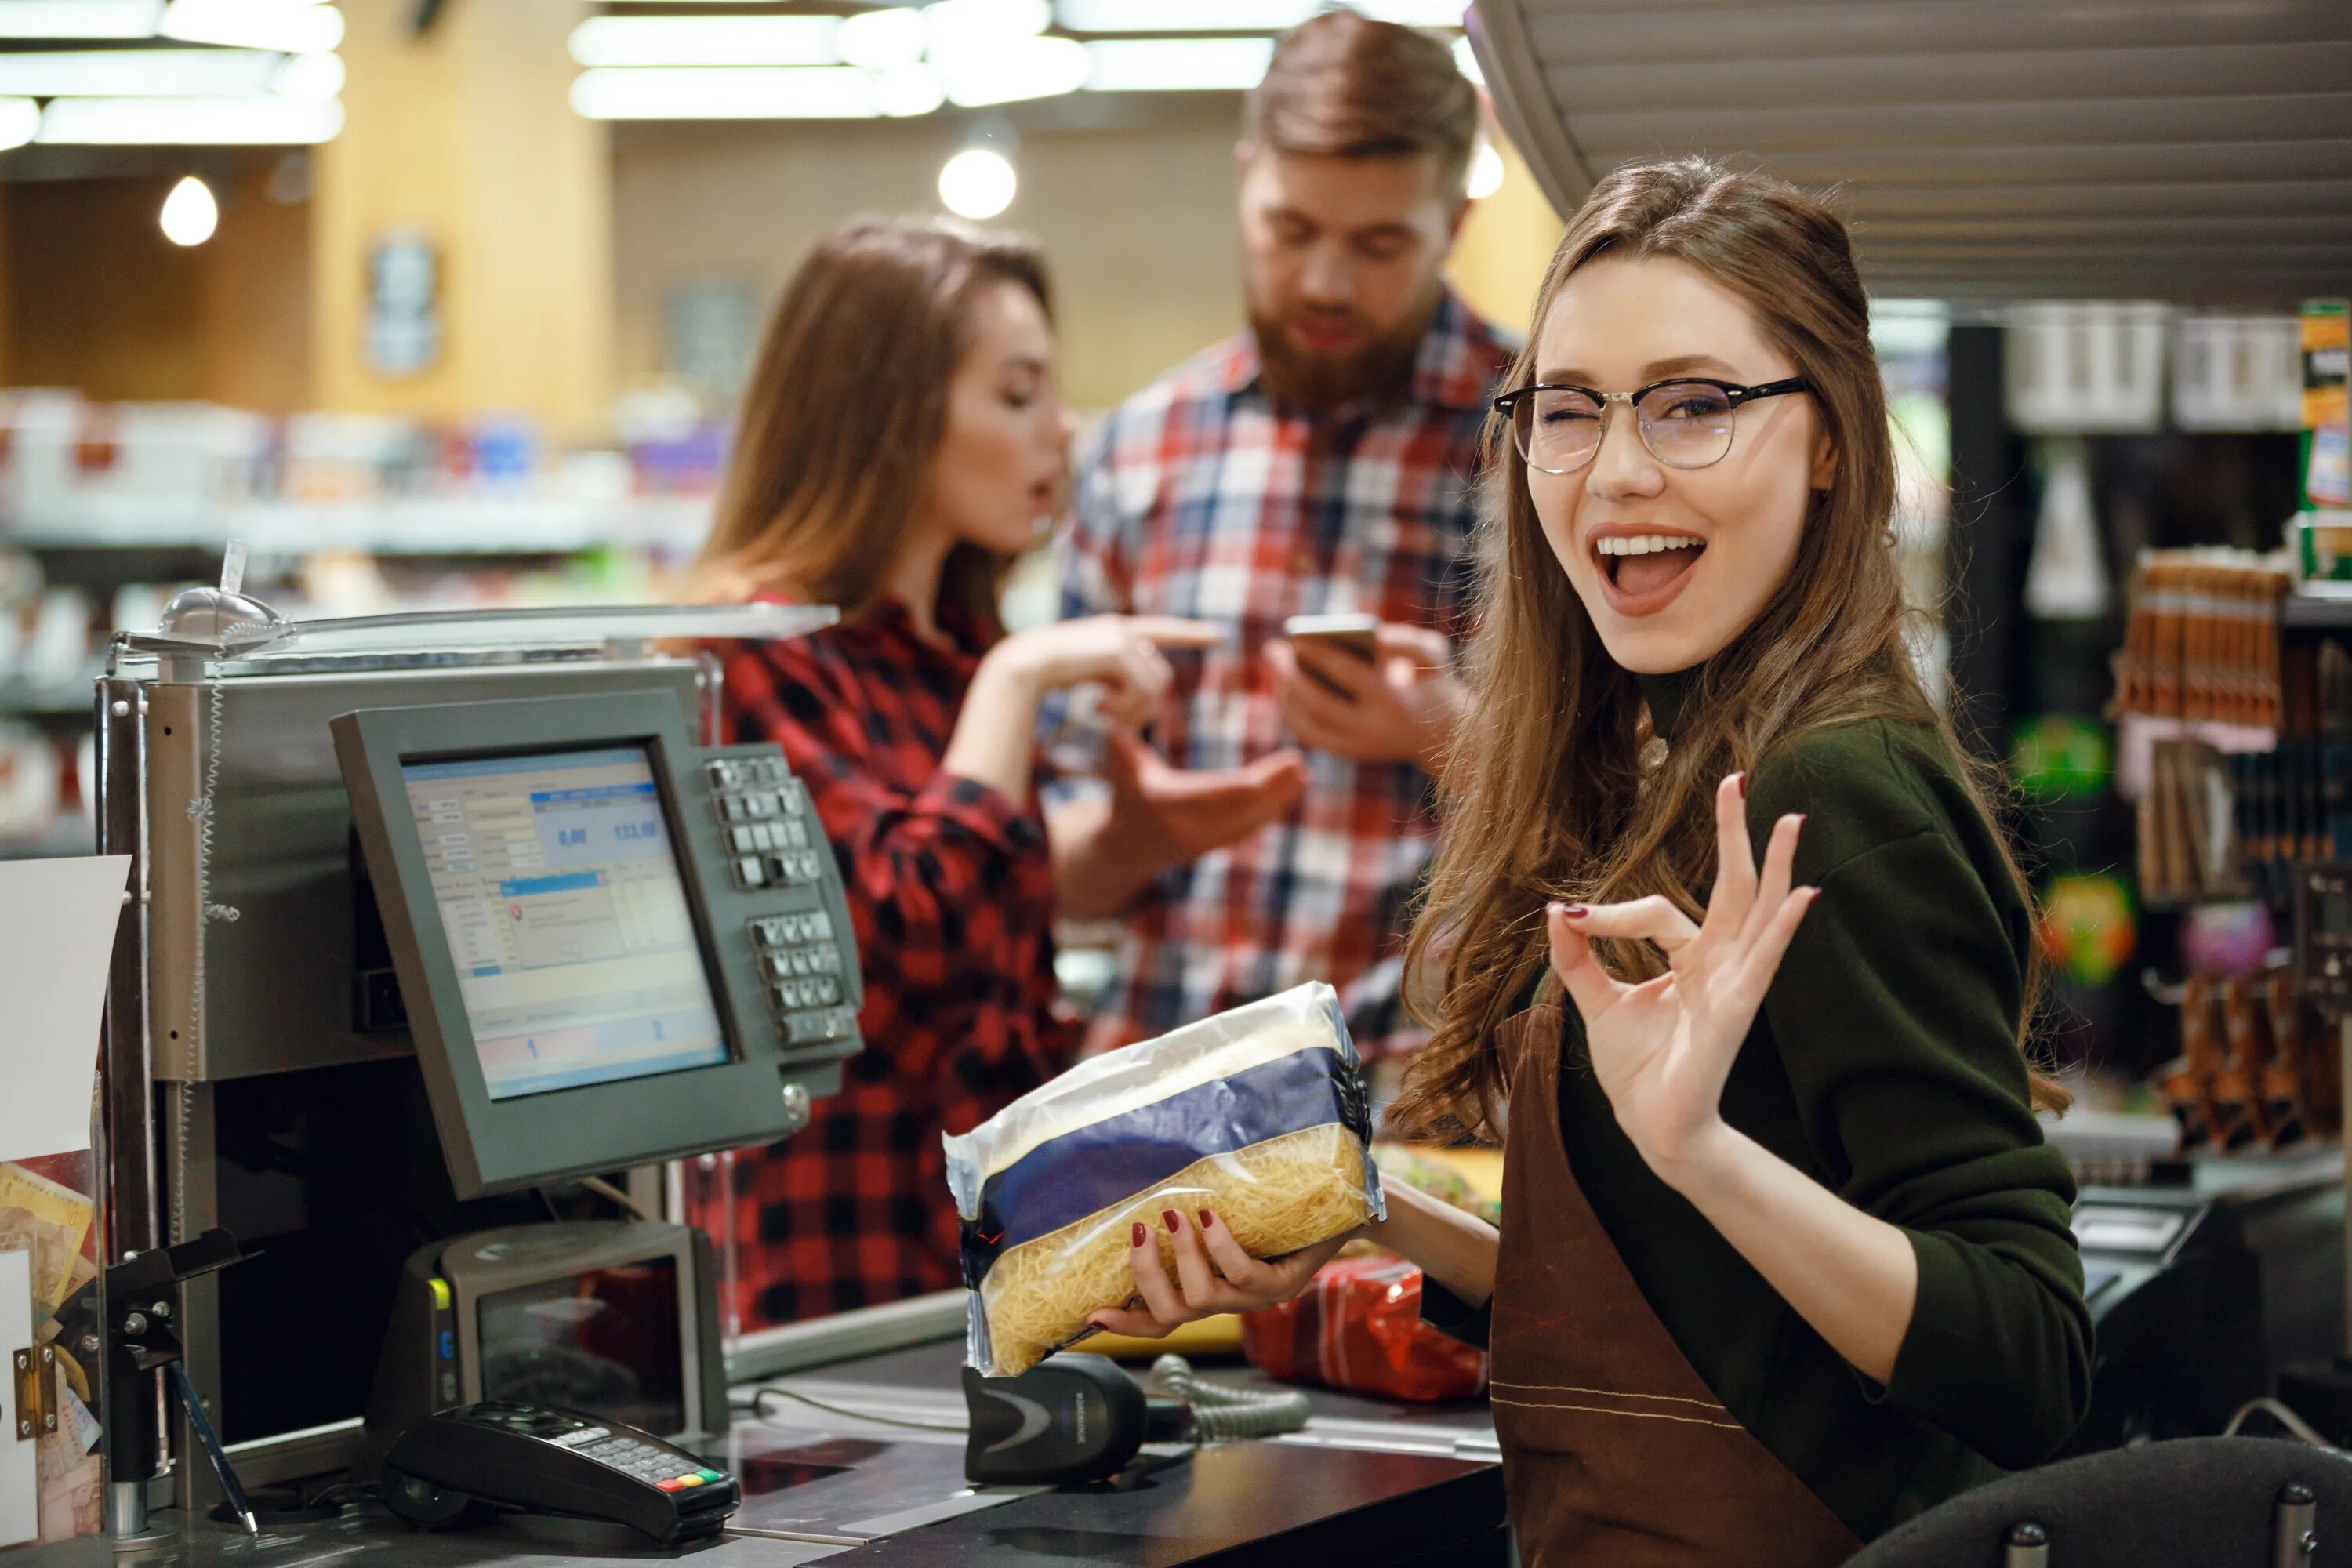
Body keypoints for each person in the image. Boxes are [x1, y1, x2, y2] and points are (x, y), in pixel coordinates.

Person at [1087, 159, 2092, 1563]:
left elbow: (2029, 1361)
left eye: (1695, 405)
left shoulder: (1829, 789)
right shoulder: (1676, 759)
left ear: (1829, 440)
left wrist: (1700, 1152)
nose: (1619, 470)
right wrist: (1359, 1217)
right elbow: (1692, 1313)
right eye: (1569, 411)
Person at [689, 217, 1307, 1327]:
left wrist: (1133, 844)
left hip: (985, 1273)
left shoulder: (948, 653)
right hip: (838, 1283)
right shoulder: (748, 654)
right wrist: (1019, 679)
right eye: (1017, 396)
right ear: (890, 414)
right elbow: (890, 948)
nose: (1058, 431)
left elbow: (979, 911)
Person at [1044, 10, 1513, 1066]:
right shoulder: (1142, 450)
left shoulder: (1548, 440)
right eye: (1291, 231)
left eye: (1379, 244)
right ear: (1245, 177)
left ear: (1458, 215)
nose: (1326, 285)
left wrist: (1448, 735)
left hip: (1420, 1113)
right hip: (1158, 1098)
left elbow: (1646, 828)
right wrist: (1129, 838)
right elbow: (1052, 865)